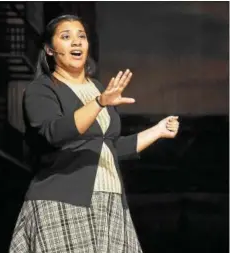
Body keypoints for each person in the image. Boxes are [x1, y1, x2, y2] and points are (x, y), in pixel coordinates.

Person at [9, 14, 180, 253]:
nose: (76, 42)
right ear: (49, 49)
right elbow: (54, 133)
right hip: (62, 200)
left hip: (110, 201)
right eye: (66, 37)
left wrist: (158, 130)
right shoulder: (42, 89)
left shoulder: (98, 88)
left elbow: (109, 147)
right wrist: (99, 103)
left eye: (82, 36)